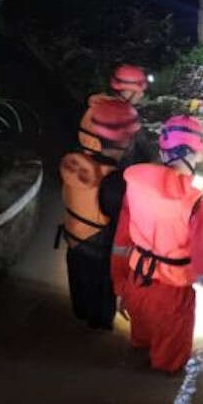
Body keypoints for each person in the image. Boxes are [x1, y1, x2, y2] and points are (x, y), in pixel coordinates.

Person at [111, 115, 203, 373]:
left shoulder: (136, 182)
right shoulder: (200, 201)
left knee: (140, 345)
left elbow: (120, 240)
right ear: (199, 152)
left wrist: (120, 285)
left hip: (136, 282)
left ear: (162, 151)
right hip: (171, 293)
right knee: (168, 365)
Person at [57, 96, 140, 330]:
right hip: (100, 260)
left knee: (81, 308)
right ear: (124, 142)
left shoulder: (75, 162)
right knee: (101, 320)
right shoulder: (114, 183)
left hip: (74, 248)